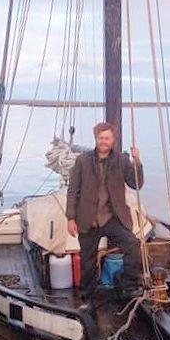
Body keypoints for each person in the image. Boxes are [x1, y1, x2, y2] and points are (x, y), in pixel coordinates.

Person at [66, 122, 143, 297]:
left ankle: (128, 284)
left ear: (113, 140)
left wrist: (136, 161)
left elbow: (135, 183)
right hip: (88, 219)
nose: (104, 141)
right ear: (96, 139)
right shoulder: (83, 161)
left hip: (113, 217)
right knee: (87, 260)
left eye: (107, 138)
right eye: (101, 138)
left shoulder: (122, 160)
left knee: (132, 245)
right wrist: (70, 218)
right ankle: (88, 293)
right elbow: (73, 190)